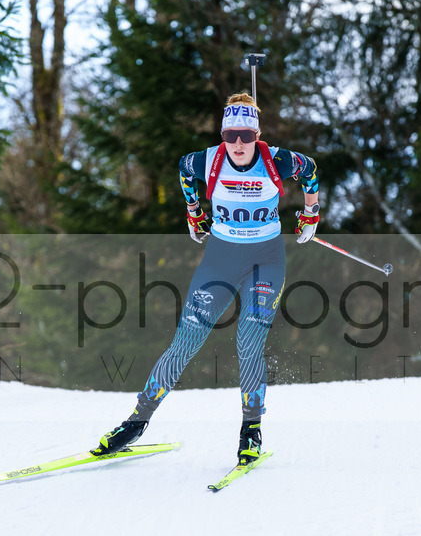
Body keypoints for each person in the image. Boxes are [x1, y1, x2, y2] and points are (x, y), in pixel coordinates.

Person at [93, 92, 320, 466]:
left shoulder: (276, 159)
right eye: (231, 135)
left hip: (265, 260)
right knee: (186, 341)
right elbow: (183, 169)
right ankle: (136, 421)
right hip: (220, 259)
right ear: (222, 134)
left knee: (248, 340)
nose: (239, 144)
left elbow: (309, 169)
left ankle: (251, 430)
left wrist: (311, 213)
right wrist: (194, 211)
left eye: (247, 136)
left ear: (257, 133)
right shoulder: (207, 160)